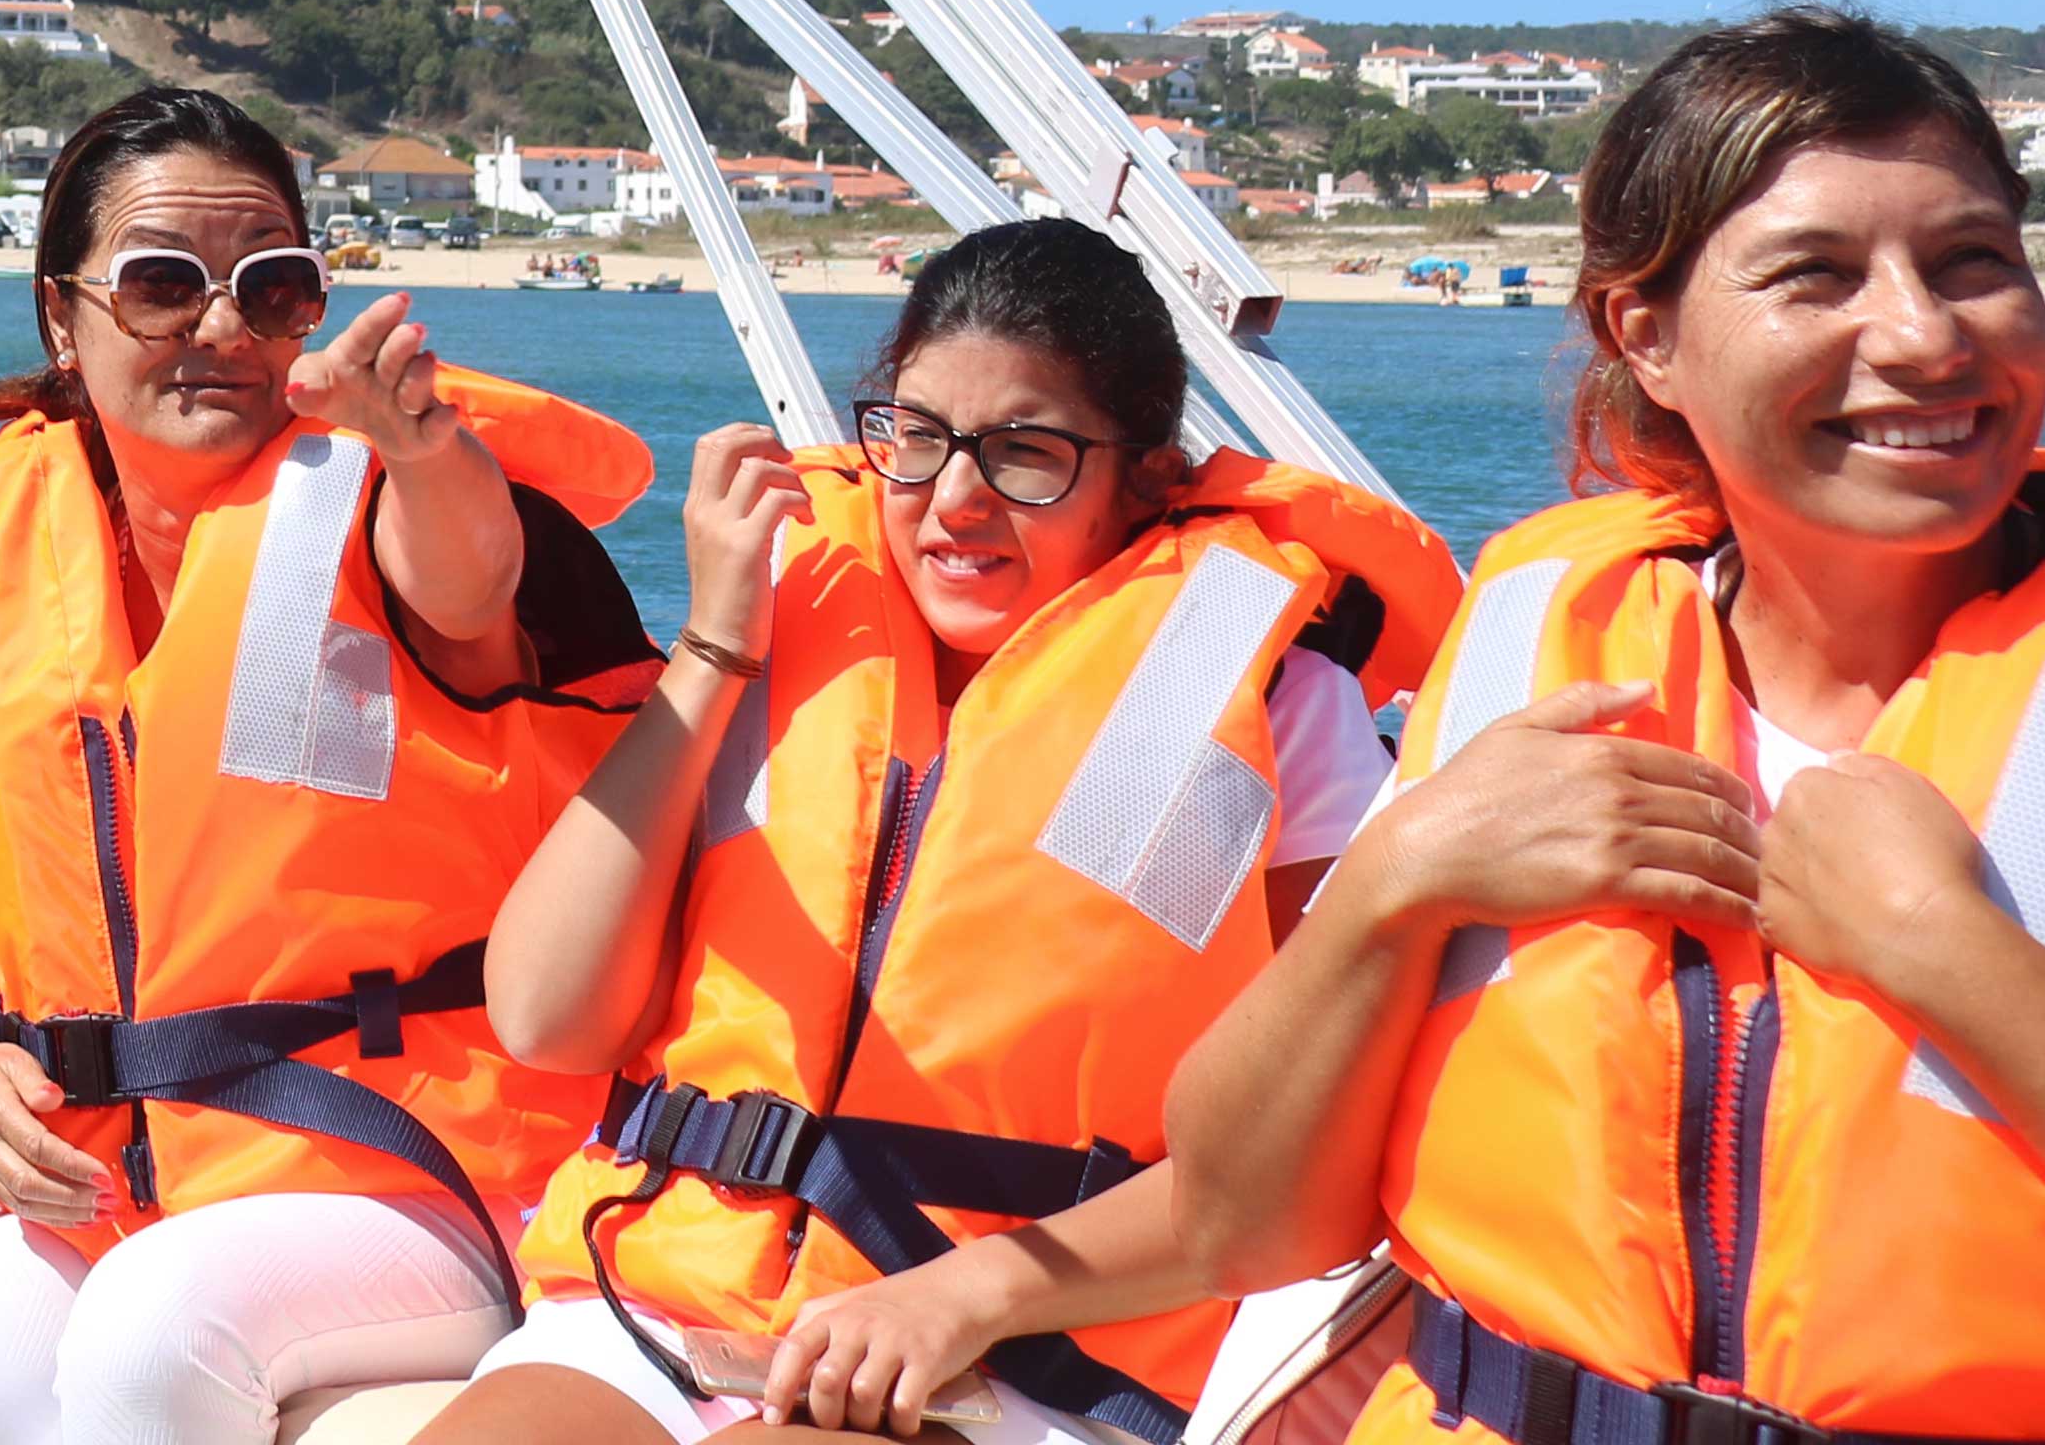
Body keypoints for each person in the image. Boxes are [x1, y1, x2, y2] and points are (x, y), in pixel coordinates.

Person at [1163, 7, 2045, 1445]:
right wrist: (1393, 882)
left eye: (1974, 263)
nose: (1921, 334)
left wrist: (1949, 954)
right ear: (1647, 340)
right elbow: (1241, 1228)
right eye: (1814, 277)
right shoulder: (1538, 624)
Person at [442, 221, 1460, 1445]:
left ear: (1147, 474)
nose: (954, 502)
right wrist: (713, 650)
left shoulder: (1272, 703)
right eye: (916, 440)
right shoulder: (783, 628)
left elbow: (1307, 1156)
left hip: (1028, 1345)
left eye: (1026, 453)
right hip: (669, 1288)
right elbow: (549, 1016)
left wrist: (974, 1292)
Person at [0, 89, 665, 1445]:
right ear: (62, 315)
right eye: (164, 284)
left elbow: (468, 586)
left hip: (432, 1169)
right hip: (121, 1177)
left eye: (271, 288)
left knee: (158, 1335)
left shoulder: (390, 494)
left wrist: (417, 442)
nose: (221, 328)